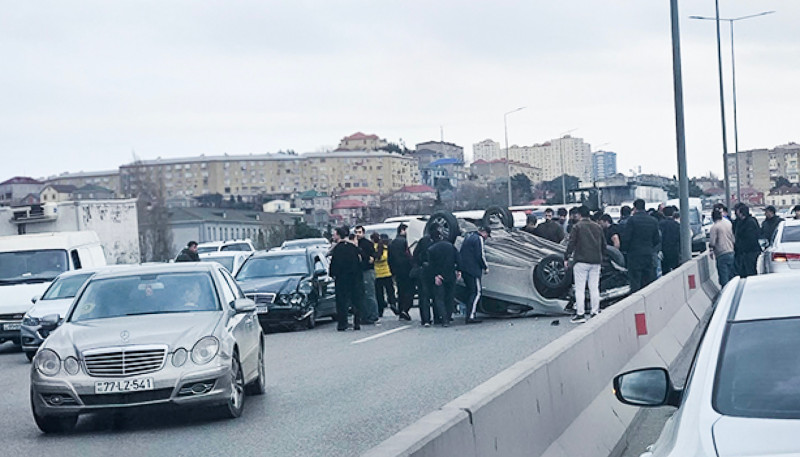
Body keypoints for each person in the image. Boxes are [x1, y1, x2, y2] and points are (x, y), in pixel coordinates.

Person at [565, 206, 605, 323]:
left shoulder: (577, 227)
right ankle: (595, 312)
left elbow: (571, 243)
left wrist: (566, 257)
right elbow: (603, 245)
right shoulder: (598, 227)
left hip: (581, 260)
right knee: (594, 287)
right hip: (596, 261)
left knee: (580, 289)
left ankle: (580, 314)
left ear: (580, 214)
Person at [621, 199, 661, 292]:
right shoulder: (653, 220)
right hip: (648, 254)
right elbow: (657, 239)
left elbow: (627, 238)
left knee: (635, 282)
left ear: (635, 208)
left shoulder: (632, 220)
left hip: (634, 255)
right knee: (647, 281)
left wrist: (625, 250)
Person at [329, 226, 364, 331]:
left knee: (342, 301)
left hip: (341, 278)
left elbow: (334, 264)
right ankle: (357, 322)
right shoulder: (353, 247)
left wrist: (332, 274)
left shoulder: (337, 249)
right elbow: (360, 260)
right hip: (354, 277)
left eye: (334, 234)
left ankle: (342, 323)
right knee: (356, 299)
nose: (333, 236)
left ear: (339, 235)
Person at [427, 230, 461, 327]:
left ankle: (444, 319)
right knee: (450, 297)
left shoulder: (431, 249)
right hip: (450, 275)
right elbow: (458, 258)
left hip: (440, 276)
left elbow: (431, 265)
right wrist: (459, 270)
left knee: (439, 298)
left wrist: (436, 275)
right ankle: (448, 317)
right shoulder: (450, 246)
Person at [459, 226, 490, 324]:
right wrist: (485, 267)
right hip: (473, 270)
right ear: (484, 232)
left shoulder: (468, 236)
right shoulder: (478, 238)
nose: (486, 238)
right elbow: (480, 255)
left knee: (470, 291)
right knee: (477, 292)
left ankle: (469, 313)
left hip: (465, 269)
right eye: (487, 235)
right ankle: (471, 316)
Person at [388, 223, 414, 321]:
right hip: (407, 269)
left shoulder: (392, 243)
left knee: (401, 290)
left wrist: (392, 270)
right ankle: (405, 309)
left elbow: (389, 258)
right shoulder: (406, 242)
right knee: (409, 290)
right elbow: (410, 255)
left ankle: (400, 309)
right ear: (402, 230)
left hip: (397, 271)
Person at [354, 225, 379, 324]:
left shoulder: (367, 244)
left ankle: (373, 315)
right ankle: (364, 315)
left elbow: (371, 257)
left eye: (359, 232)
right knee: (362, 295)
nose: (357, 234)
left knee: (369, 294)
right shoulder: (354, 244)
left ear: (363, 233)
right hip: (359, 271)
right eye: (356, 232)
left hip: (367, 271)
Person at [412, 226, 436, 327]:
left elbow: (415, 254)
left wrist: (418, 264)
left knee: (424, 297)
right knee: (437, 295)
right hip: (434, 271)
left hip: (423, 271)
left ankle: (425, 319)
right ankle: (438, 317)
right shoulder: (438, 241)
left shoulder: (423, 241)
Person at [371, 233, 396, 318]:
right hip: (387, 272)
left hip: (377, 274)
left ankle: (380, 309)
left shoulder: (372, 248)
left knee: (379, 294)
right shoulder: (385, 247)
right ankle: (392, 303)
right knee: (390, 291)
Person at [709, 209, 735, 287]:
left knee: (724, 276)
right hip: (731, 251)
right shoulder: (728, 223)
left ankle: (726, 292)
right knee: (732, 274)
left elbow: (712, 242)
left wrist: (711, 250)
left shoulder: (715, 227)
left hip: (721, 253)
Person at [734, 204, 760, 278]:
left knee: (750, 273)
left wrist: (740, 247)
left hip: (750, 253)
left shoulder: (750, 222)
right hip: (743, 253)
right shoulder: (739, 222)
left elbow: (751, 239)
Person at [659, 206, 681, 275]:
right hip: (675, 250)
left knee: (665, 271)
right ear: (673, 213)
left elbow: (659, 237)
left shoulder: (660, 224)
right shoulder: (677, 225)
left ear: (663, 213)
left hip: (664, 250)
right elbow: (680, 238)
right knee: (676, 270)